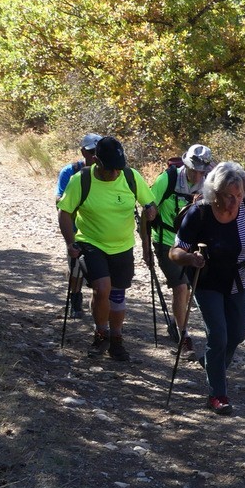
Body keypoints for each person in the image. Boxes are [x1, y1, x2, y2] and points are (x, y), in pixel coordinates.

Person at [169, 162, 245, 414]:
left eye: (238, 195)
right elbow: (175, 251)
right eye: (228, 195)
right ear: (215, 192)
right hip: (207, 279)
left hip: (238, 278)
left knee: (238, 334)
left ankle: (210, 362)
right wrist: (190, 258)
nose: (234, 201)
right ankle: (217, 394)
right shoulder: (199, 213)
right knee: (219, 335)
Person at [56, 136, 157, 361]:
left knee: (117, 295)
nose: (115, 174)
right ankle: (101, 334)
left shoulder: (131, 177)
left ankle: (116, 340)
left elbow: (149, 204)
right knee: (102, 289)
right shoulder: (81, 180)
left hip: (122, 246)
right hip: (91, 242)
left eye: (118, 169)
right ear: (97, 162)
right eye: (110, 169)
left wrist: (151, 211)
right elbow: (65, 212)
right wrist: (70, 242)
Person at [151, 144, 215, 354]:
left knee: (192, 288)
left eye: (201, 171)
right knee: (181, 288)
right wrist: (144, 247)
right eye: (193, 170)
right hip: (166, 240)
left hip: (194, 243)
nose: (197, 176)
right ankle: (183, 335)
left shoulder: (210, 182)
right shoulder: (167, 179)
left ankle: (181, 325)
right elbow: (148, 209)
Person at [55, 133, 103, 320]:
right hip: (75, 230)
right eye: (91, 152)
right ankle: (75, 299)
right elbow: (60, 200)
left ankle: (96, 305)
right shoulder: (70, 172)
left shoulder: (108, 172)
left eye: (97, 152)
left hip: (99, 230)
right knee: (75, 268)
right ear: (83, 151)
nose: (94, 156)